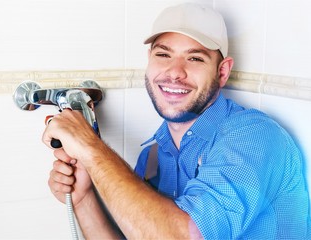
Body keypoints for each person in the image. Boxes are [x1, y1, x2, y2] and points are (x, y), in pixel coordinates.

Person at [43, 2, 310, 239]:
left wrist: (90, 147)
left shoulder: (254, 137)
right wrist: (83, 199)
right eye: (163, 54)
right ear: (149, 61)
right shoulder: (154, 156)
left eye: (194, 58)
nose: (174, 72)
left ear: (222, 71)